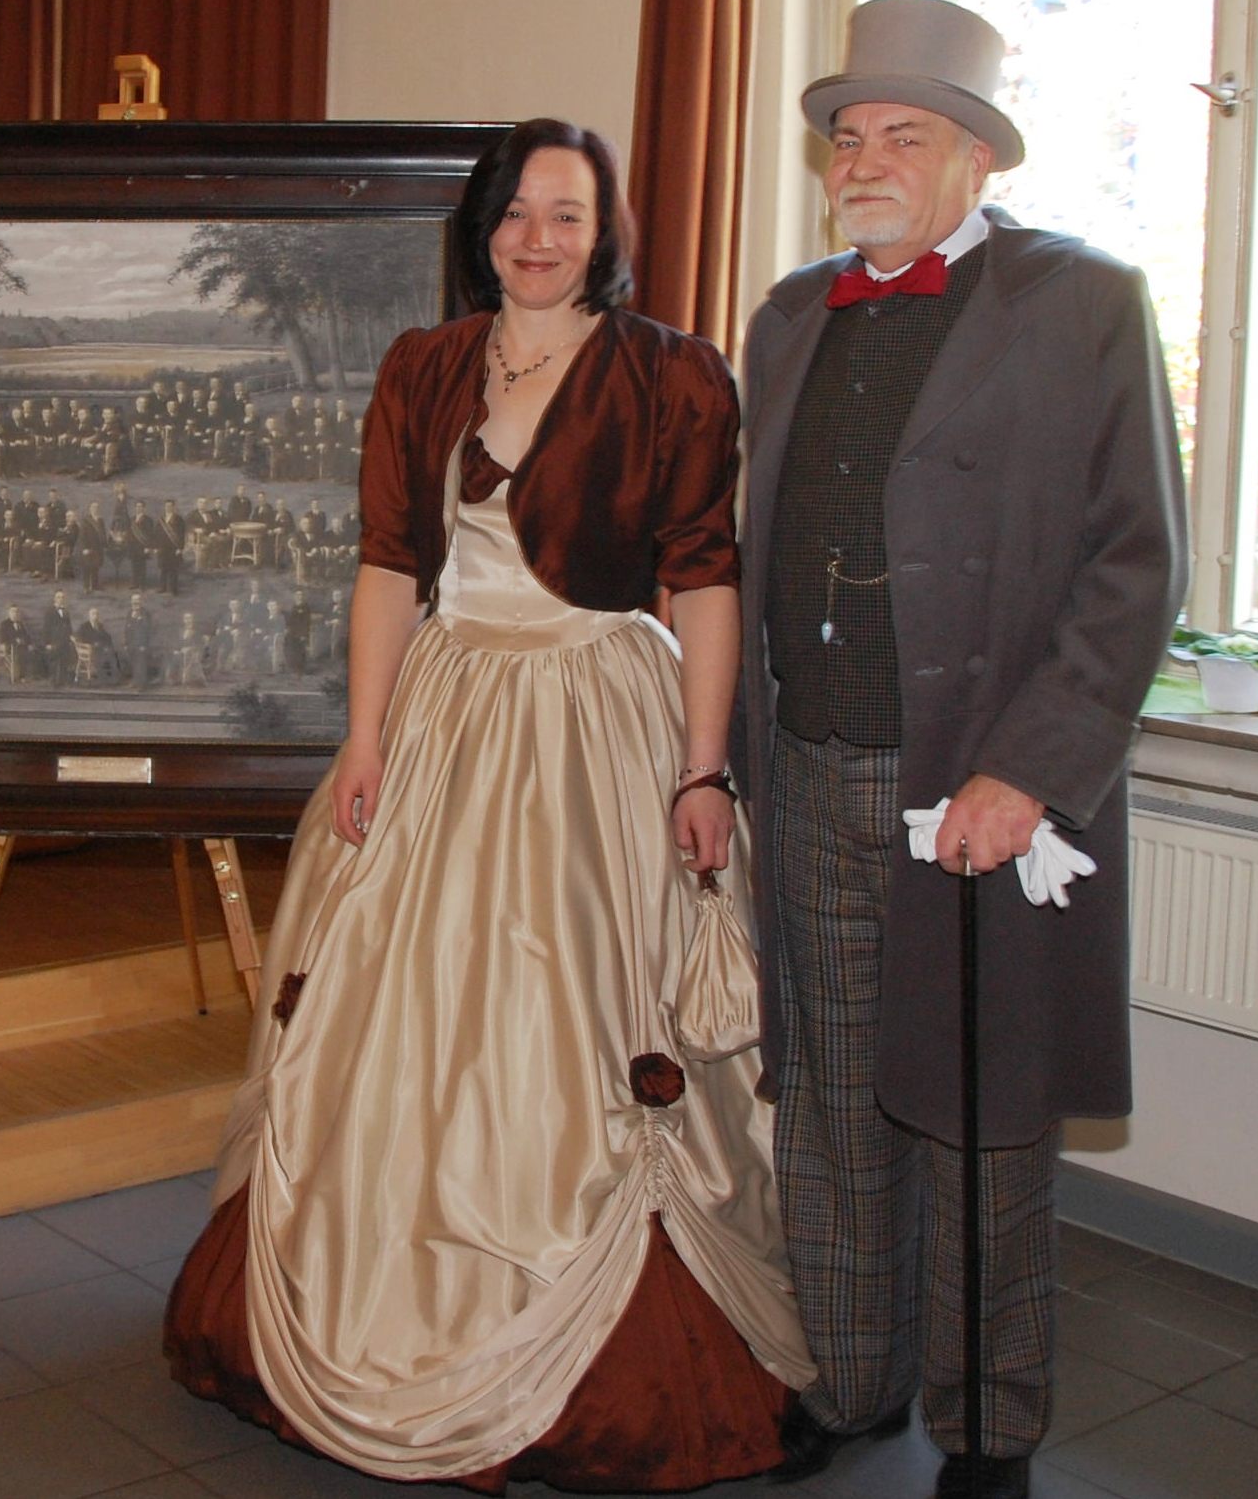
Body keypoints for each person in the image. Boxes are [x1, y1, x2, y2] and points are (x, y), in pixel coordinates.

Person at [165, 119, 812, 1492]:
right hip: (447, 708)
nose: (538, 237)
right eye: (515, 212)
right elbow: (388, 567)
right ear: (482, 228)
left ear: (606, 231)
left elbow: (706, 579)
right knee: (397, 1008)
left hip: (597, 715)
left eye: (567, 214)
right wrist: (364, 739)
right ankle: (379, 1300)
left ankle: (588, 1317)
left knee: (570, 1007)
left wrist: (702, 767)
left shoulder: (675, 374)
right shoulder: (424, 366)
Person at [735, 0, 1188, 1499]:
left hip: (975, 790)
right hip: (806, 766)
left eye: (904, 135)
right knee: (832, 1106)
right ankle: (851, 1378)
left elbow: (1135, 562)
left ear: (978, 158)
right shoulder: (790, 314)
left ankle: (990, 1423)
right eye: (848, 136)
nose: (865, 159)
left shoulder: (1085, 301)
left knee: (981, 1116)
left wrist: (1030, 769)